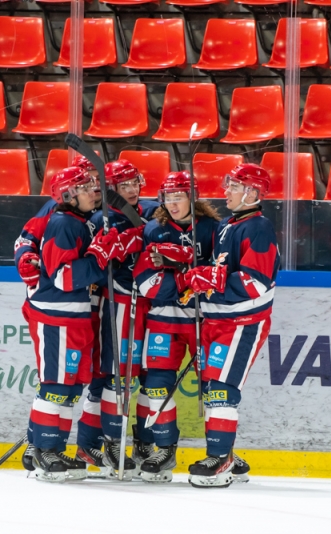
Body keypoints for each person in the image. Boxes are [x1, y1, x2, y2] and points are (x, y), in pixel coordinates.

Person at [181, 163, 280, 489]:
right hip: (216, 321)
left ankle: (219, 457)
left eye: (234, 186)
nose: (226, 191)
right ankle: (229, 456)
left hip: (241, 323)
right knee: (212, 389)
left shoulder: (259, 228)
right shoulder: (228, 226)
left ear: (252, 192)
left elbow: (256, 283)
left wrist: (213, 278)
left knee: (223, 389)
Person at [15, 166, 112, 482]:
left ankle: (55, 449)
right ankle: (43, 450)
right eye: (84, 189)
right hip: (56, 317)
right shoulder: (62, 224)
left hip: (74, 317)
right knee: (56, 387)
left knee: (70, 388)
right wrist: (99, 257)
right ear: (69, 195)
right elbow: (63, 276)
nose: (91, 193)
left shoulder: (77, 222)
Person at [133, 171, 221, 483]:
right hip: (163, 319)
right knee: (156, 383)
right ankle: (164, 448)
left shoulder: (212, 229)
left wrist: (194, 267)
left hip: (203, 320)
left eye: (179, 196)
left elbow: (220, 273)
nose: (173, 203)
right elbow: (144, 282)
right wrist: (182, 279)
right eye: (168, 198)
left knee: (215, 386)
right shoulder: (154, 230)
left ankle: (221, 453)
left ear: (192, 198)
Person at [89, 159, 159, 479]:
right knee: (118, 374)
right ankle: (113, 442)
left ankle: (145, 442)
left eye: (135, 182)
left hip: (152, 303)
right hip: (118, 302)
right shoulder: (101, 218)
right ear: (111, 190)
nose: (132, 190)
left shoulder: (150, 211)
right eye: (124, 185)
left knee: (150, 375)